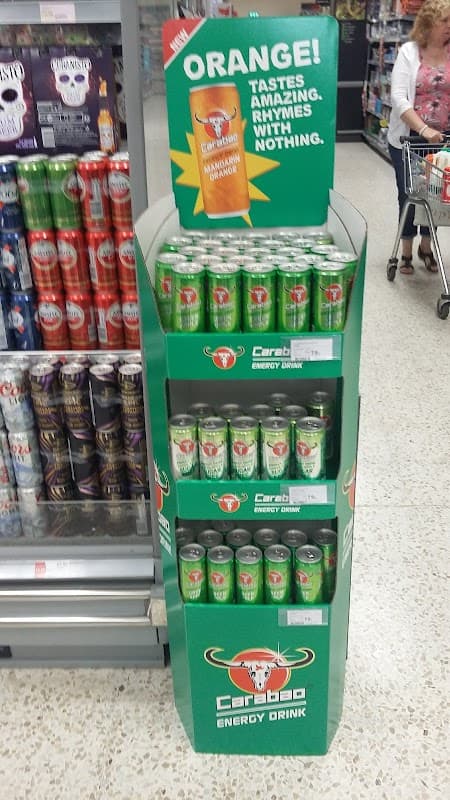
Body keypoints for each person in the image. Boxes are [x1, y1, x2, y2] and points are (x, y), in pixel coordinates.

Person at [388, 0, 450, 273]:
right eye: (445, 21)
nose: (449, 27)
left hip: (444, 139)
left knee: (437, 193)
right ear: (428, 23)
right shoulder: (409, 52)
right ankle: (406, 249)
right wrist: (424, 129)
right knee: (409, 192)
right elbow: (399, 98)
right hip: (410, 139)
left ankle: (427, 245)